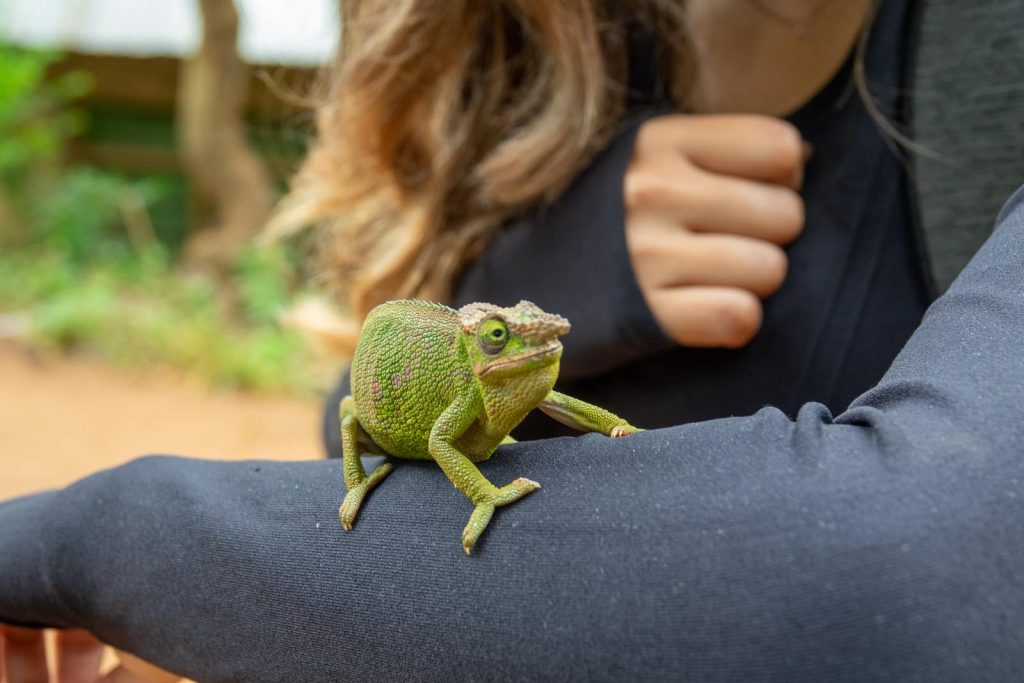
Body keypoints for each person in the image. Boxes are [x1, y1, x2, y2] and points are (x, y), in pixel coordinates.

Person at [3, 0, 1024, 680]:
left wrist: (118, 537)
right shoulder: (512, 52)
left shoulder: (982, 62)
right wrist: (539, 274)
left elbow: (930, 568)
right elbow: (361, 420)